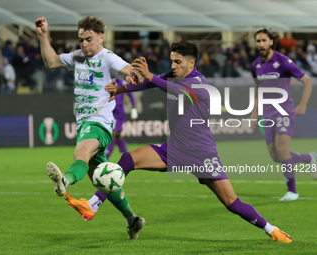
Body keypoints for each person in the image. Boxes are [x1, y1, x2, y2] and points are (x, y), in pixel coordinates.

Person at [65, 41, 293, 243]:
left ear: (191, 63)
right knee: (127, 159)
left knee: (231, 202)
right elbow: (149, 84)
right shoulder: (173, 76)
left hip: (200, 153)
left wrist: (151, 75)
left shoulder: (199, 83)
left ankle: (270, 229)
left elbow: (172, 88)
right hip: (173, 150)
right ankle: (92, 205)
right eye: (171, 61)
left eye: (178, 61)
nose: (173, 66)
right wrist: (121, 89)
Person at [35, 16, 145, 239]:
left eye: (89, 39)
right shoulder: (76, 57)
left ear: (101, 38)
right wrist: (43, 36)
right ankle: (132, 220)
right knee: (103, 180)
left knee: (81, 152)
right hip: (84, 123)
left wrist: (133, 75)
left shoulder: (107, 58)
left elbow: (127, 69)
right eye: (81, 40)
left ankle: (65, 180)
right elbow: (51, 62)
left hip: (98, 123)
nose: (84, 44)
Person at [250, 28, 316, 201]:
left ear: (271, 42)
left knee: (282, 150)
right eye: (258, 41)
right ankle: (309, 158)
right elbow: (258, 88)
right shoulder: (255, 65)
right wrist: (254, 111)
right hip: (267, 113)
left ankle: (292, 191)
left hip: (284, 110)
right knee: (275, 156)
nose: (261, 44)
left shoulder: (283, 61)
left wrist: (302, 105)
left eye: (264, 40)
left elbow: (307, 81)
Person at [105, 77, 137, 160]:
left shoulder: (121, 82)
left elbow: (130, 94)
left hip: (118, 113)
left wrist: (133, 108)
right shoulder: (106, 80)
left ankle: (105, 158)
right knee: (117, 135)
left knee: (113, 134)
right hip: (110, 110)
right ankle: (126, 155)